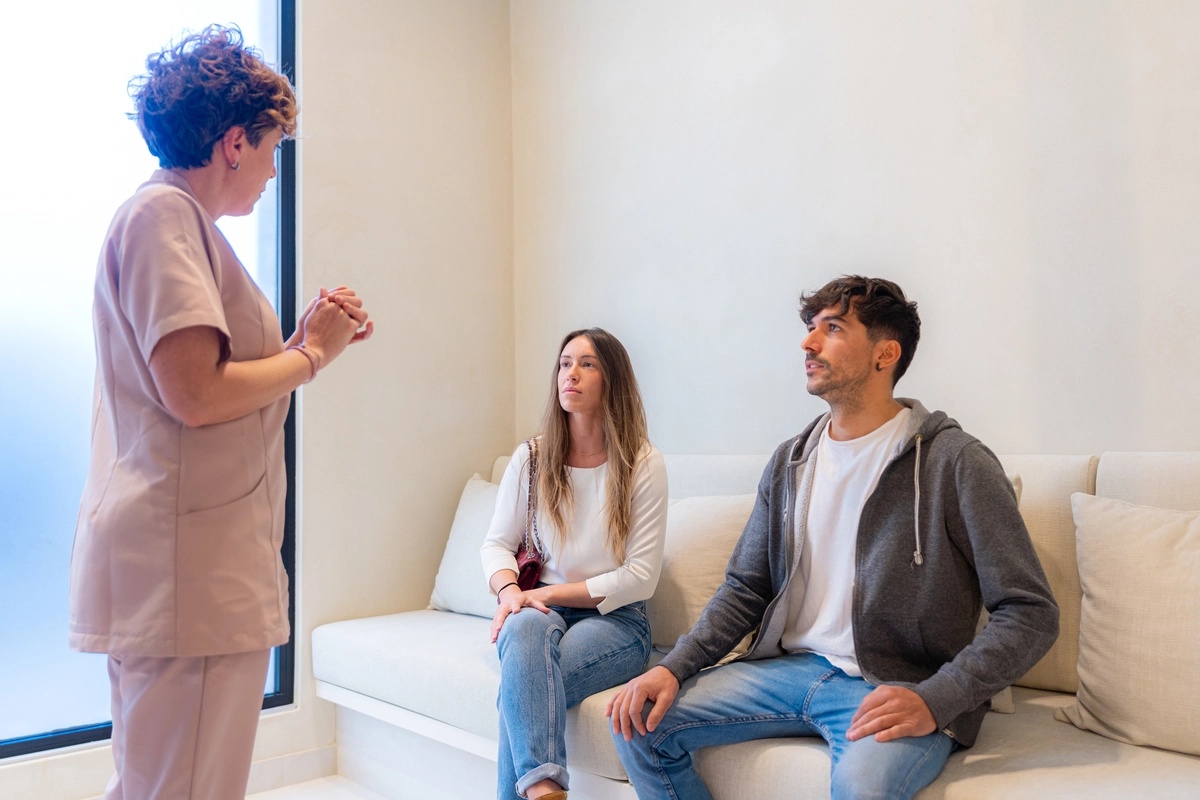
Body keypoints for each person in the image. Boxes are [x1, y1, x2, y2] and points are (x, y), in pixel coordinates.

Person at [607, 276, 1059, 800]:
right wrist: (673, 667)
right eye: (809, 328)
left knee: (862, 788)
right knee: (638, 723)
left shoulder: (954, 463)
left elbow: (1030, 611)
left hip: (893, 686)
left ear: (884, 354)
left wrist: (938, 698)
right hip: (788, 670)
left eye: (832, 328)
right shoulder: (791, 461)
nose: (808, 342)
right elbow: (745, 588)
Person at [68, 25, 373, 800]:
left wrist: (304, 339)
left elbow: (209, 376)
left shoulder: (176, 226)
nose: (274, 171)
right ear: (234, 142)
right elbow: (196, 393)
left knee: (159, 782)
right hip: (187, 575)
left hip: (190, 569)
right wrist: (312, 357)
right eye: (272, 150)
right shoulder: (164, 219)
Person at [481, 328, 669, 800]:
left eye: (588, 364)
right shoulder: (531, 457)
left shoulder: (643, 464)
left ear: (614, 380)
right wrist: (510, 595)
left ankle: (539, 787)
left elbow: (639, 578)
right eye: (565, 363)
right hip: (539, 614)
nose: (572, 374)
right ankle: (545, 787)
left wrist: (539, 594)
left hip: (617, 622)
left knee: (520, 690)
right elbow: (495, 546)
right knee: (523, 632)